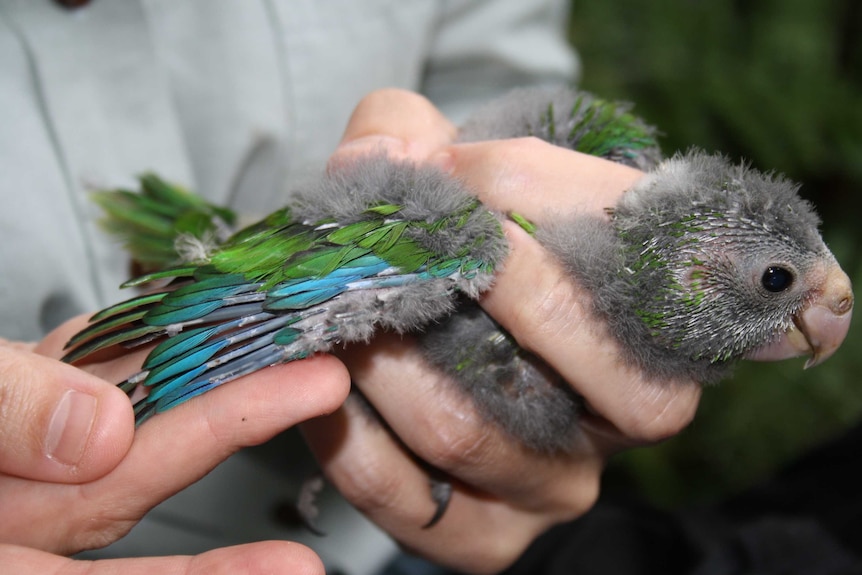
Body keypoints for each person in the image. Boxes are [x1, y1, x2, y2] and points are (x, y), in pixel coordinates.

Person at [0, 2, 702, 574]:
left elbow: (503, 91)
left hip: (382, 540)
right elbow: (276, 309)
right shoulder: (411, 256)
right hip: (282, 304)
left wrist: (552, 391)